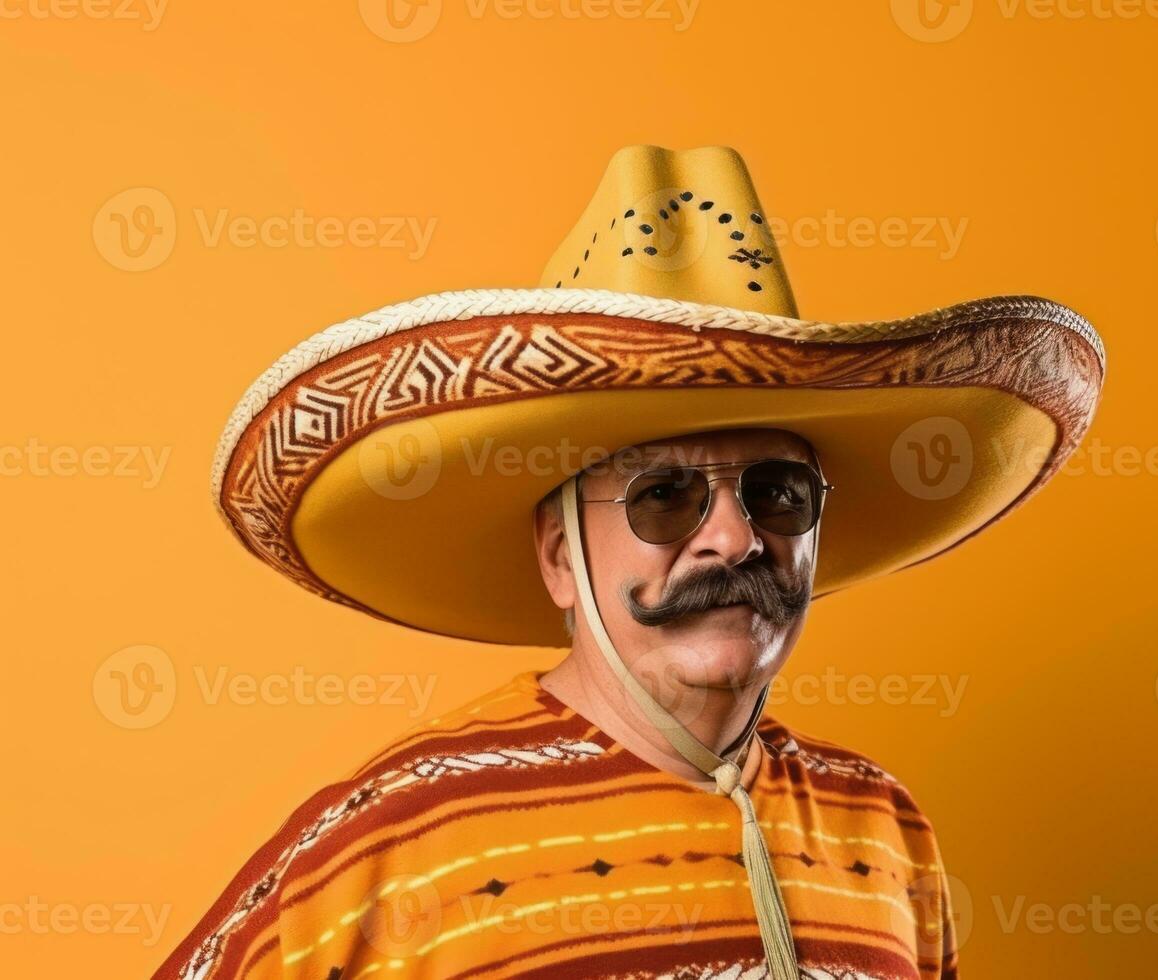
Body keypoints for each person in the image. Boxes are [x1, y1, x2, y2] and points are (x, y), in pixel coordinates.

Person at [158, 144, 1104, 979]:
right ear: (559, 554)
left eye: (775, 492)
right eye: (664, 497)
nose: (733, 540)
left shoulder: (883, 832)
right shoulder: (397, 839)